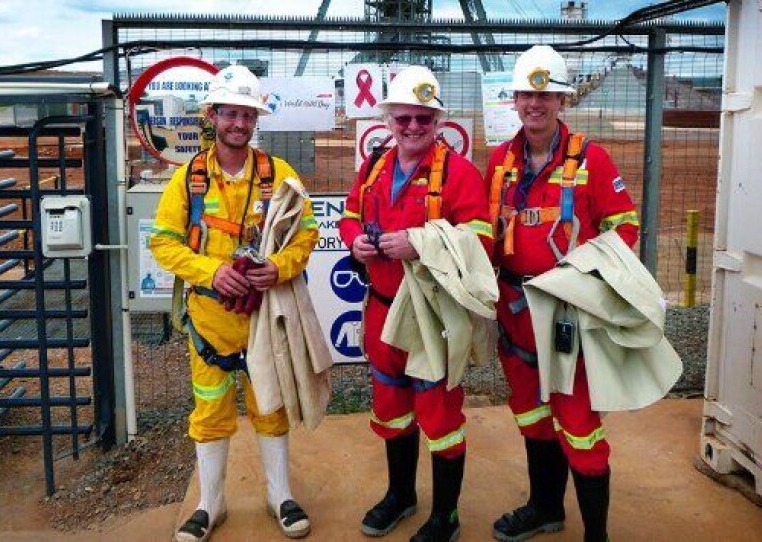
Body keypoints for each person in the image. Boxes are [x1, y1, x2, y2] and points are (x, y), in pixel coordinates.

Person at [150, 65, 319, 542]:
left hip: (264, 319)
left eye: (248, 115)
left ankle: (279, 495)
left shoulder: (278, 175)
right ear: (212, 116)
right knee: (210, 411)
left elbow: (306, 233)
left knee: (271, 405)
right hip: (210, 322)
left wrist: (280, 267)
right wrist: (212, 271)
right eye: (231, 114)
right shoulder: (188, 180)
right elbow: (163, 242)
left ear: (255, 120)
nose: (239, 124)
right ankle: (211, 504)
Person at [484, 45, 640, 542]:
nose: (536, 103)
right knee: (531, 414)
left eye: (546, 94)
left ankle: (598, 536)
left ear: (562, 101)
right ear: (514, 99)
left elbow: (625, 228)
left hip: (569, 317)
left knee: (579, 424)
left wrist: (586, 277)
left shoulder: (593, 159)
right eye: (528, 94)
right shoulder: (501, 162)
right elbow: (486, 231)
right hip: (515, 313)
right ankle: (544, 507)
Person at [340, 66, 493, 542]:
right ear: (388, 119)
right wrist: (355, 245)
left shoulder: (460, 174)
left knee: (440, 416)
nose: (412, 128)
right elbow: (349, 216)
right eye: (403, 118)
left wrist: (422, 244)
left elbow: (481, 243)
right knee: (390, 408)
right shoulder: (374, 168)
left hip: (433, 316)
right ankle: (401, 496)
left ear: (437, 121)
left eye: (423, 120)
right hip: (383, 310)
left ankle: (445, 516)